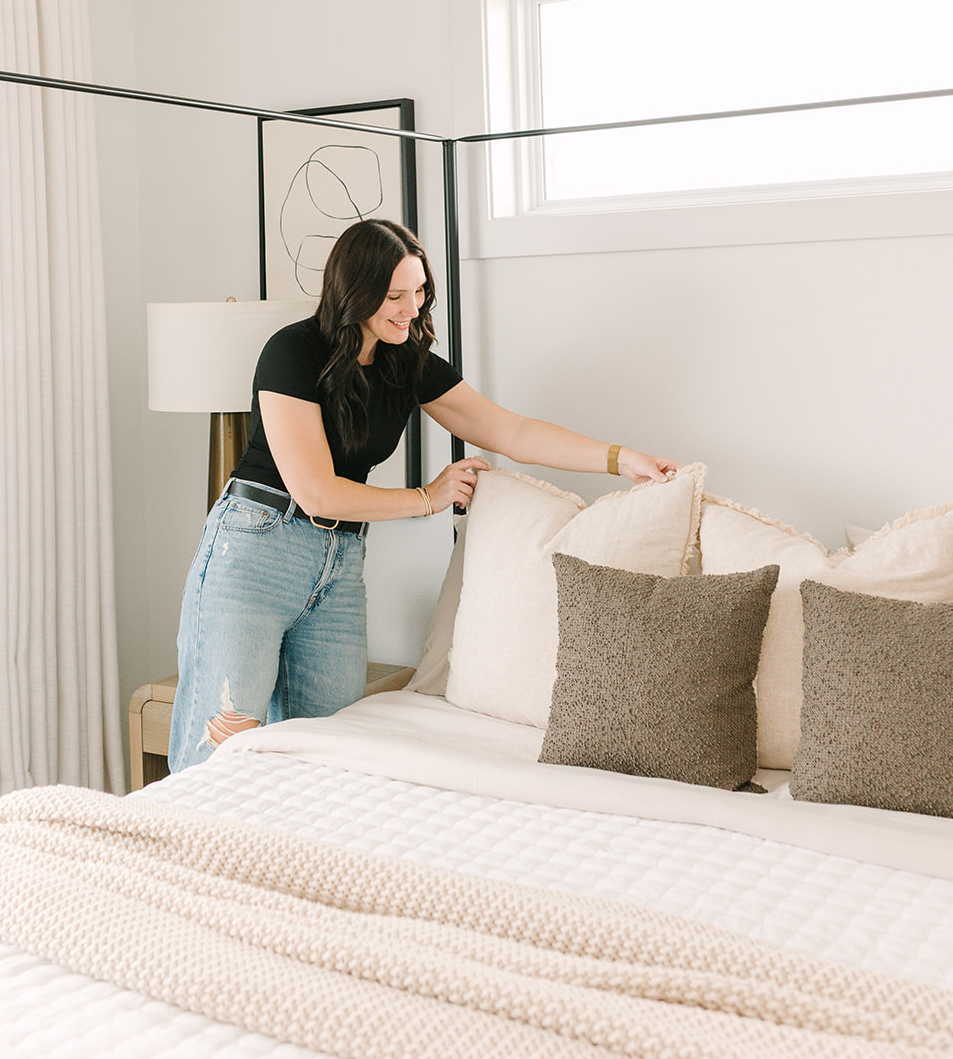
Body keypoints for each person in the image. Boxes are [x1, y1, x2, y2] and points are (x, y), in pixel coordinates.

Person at [168, 218, 679, 770]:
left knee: (330, 753)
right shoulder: (291, 352)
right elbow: (316, 493)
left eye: (419, 292)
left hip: (338, 562)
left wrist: (622, 458)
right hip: (255, 551)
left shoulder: (405, 363)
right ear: (354, 291)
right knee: (219, 750)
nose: (412, 308)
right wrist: (428, 497)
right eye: (395, 296)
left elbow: (513, 432)